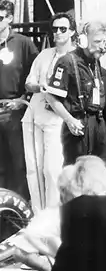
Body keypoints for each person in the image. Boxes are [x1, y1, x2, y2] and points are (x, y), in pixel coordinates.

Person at [22, 12, 76, 210]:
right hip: (34, 114)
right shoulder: (44, 55)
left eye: (63, 29)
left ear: (71, 31)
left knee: (52, 169)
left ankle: (54, 216)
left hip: (57, 118)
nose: (58, 33)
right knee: (33, 168)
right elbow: (29, 83)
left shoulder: (75, 58)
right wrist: (39, 87)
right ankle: (38, 214)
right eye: (55, 29)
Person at [45, 20, 106, 165]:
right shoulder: (67, 62)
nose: (102, 47)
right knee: (78, 174)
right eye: (97, 41)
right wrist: (70, 121)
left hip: (98, 123)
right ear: (83, 40)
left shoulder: (95, 62)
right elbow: (50, 97)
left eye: (104, 42)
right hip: (79, 126)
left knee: (102, 169)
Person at [0, 0, 39, 199]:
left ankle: (21, 207)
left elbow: (36, 75)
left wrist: (23, 99)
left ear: (10, 18)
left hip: (13, 112)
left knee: (18, 163)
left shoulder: (23, 44)